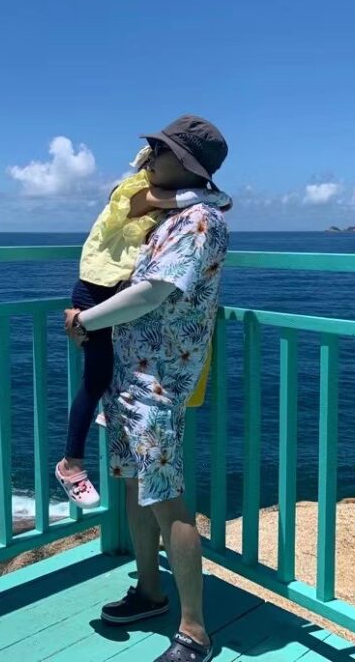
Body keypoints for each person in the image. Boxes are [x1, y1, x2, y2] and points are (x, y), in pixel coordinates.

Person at [65, 115, 230, 662]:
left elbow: (152, 292)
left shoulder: (200, 221)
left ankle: (195, 631)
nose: (149, 155)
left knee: (167, 500)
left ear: (185, 163)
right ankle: (150, 591)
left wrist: (86, 321)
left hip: (158, 380)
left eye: (159, 149)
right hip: (130, 374)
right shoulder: (172, 212)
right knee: (137, 489)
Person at [56, 141, 230, 510]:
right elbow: (160, 201)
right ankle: (71, 463)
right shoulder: (134, 189)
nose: (152, 161)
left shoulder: (184, 210)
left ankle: (106, 418)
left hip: (117, 287)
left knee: (110, 369)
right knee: (96, 376)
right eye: (152, 155)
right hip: (95, 288)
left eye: (159, 154)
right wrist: (209, 195)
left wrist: (205, 197)